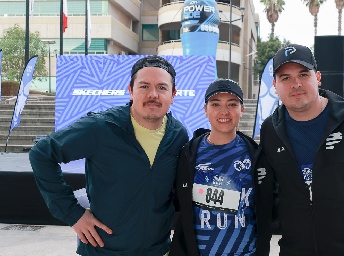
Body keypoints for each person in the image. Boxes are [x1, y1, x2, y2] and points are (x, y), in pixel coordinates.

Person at [29, 55, 189, 256]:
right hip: (103, 251)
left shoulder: (178, 135)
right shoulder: (102, 128)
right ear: (131, 91)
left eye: (162, 88)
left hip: (157, 251)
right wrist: (72, 213)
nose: (153, 94)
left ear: (173, 95)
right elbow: (42, 153)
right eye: (144, 86)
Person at [259, 44, 344, 255]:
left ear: (318, 77)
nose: (295, 84)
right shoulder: (270, 130)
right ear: (275, 85)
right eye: (285, 78)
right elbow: (267, 195)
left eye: (303, 74)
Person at [170, 78, 274, 256]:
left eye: (232, 104)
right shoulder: (187, 155)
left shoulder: (259, 157)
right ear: (205, 110)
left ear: (242, 109)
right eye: (216, 104)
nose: (224, 111)